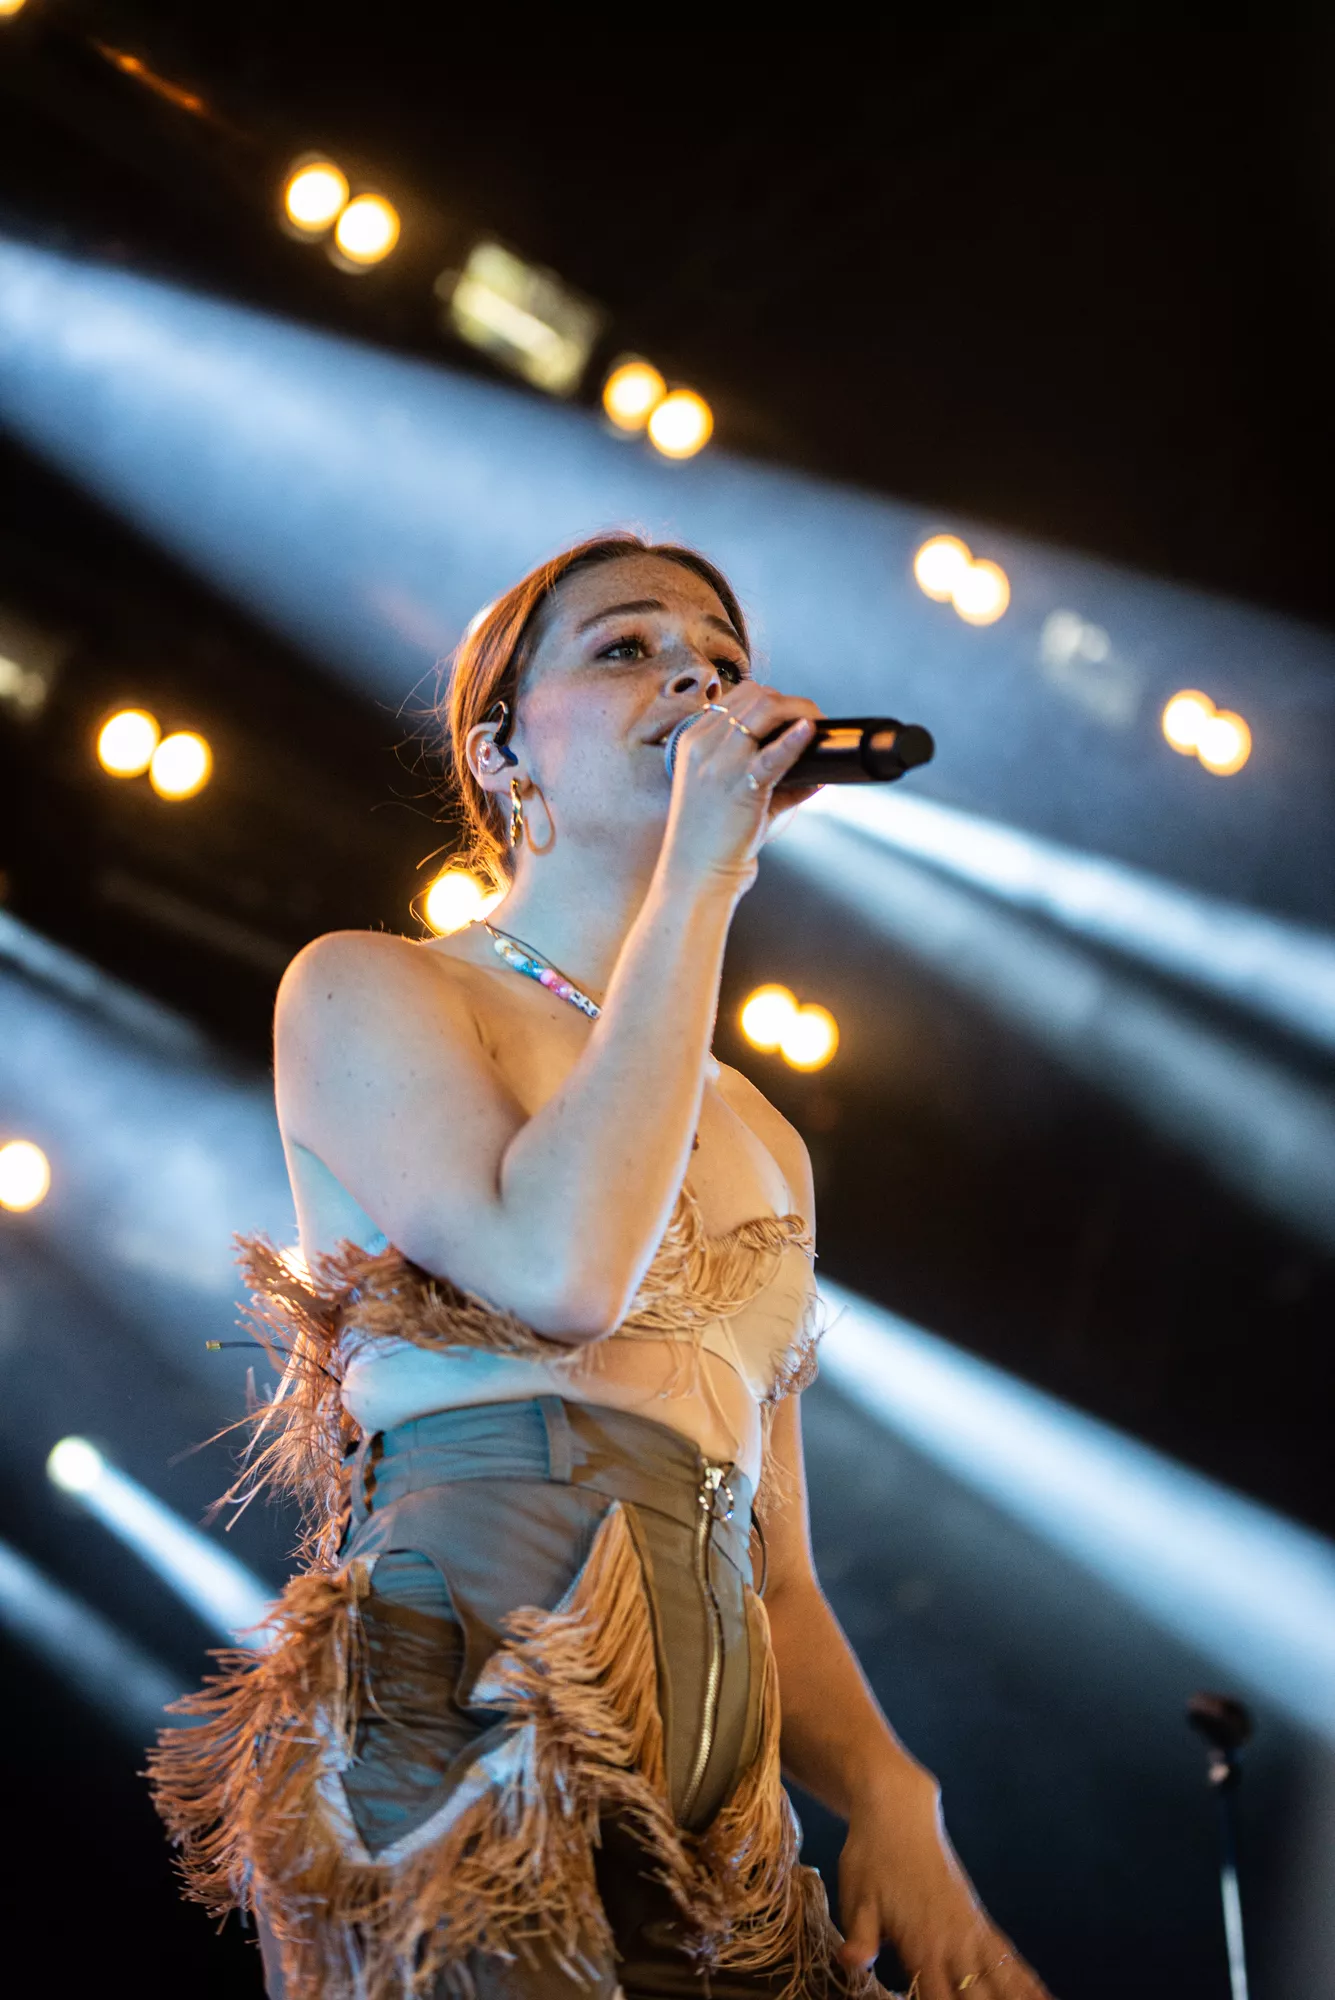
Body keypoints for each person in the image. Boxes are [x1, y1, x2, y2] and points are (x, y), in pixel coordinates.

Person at [150, 534, 1053, 2000]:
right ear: (501, 753)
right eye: (626, 648)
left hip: (716, 1803)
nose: (695, 678)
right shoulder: (376, 986)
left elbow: (776, 1567)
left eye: (720, 658)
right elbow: (560, 1272)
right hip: (465, 1710)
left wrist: (893, 1791)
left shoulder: (763, 1134)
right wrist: (701, 878)